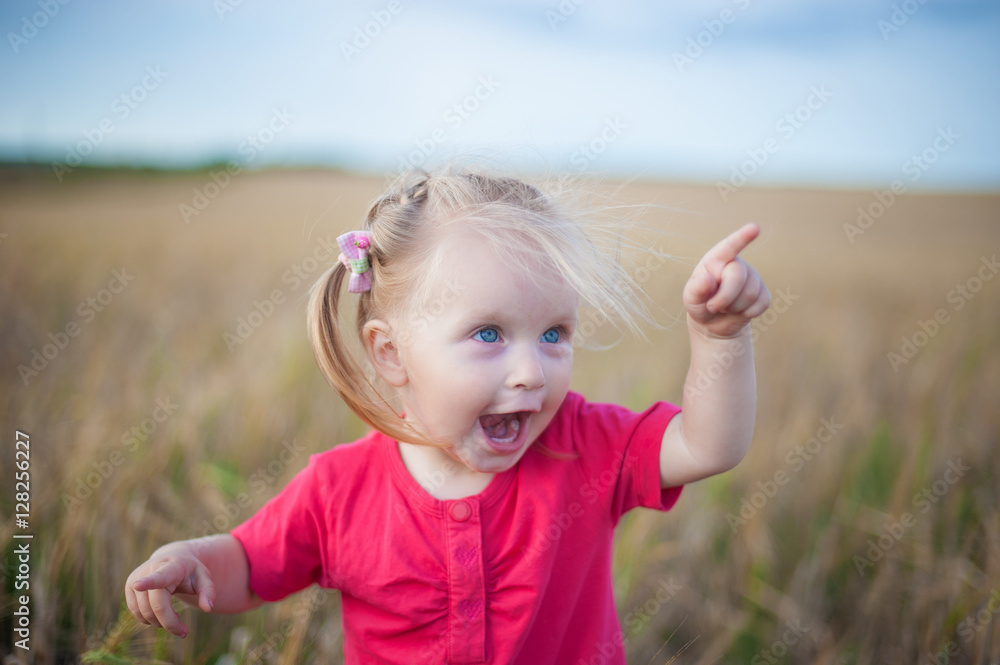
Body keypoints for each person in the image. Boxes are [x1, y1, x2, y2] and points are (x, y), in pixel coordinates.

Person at [124, 169, 770, 663]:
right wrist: (192, 560)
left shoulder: (584, 445)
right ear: (391, 351)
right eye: (488, 334)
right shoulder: (338, 490)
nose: (532, 371)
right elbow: (249, 564)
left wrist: (719, 339)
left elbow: (708, 443)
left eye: (554, 333)